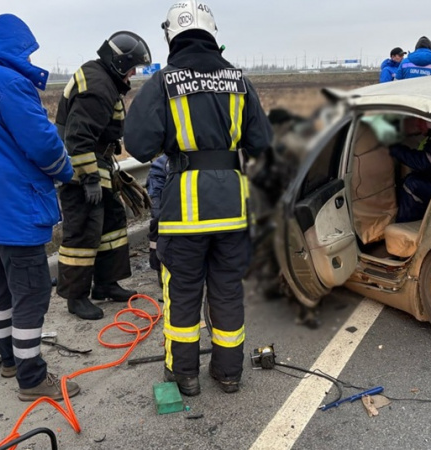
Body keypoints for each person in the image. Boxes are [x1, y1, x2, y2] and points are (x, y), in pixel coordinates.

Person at [124, 1, 272, 396]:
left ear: (171, 36)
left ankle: (184, 375)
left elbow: (138, 144)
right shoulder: (239, 81)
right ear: (212, 34)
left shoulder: (163, 82)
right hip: (232, 211)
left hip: (184, 215)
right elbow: (263, 143)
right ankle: (229, 373)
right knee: (227, 290)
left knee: (183, 293)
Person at [0, 14, 79, 402]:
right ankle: (32, 378)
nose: (28, 57)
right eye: (26, 50)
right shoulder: (8, 83)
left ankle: (9, 361)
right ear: (13, 46)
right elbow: (42, 142)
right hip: (14, 208)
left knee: (0, 289)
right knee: (31, 293)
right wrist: (66, 171)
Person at [54, 32, 151, 320]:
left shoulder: (103, 78)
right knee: (84, 230)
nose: (133, 73)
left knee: (112, 222)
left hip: (98, 164)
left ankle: (106, 283)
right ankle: (76, 297)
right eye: (132, 67)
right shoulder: (98, 86)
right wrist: (90, 180)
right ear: (119, 63)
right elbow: (78, 137)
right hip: (82, 171)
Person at [390, 118, 431, 223]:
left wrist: (394, 148)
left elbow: (424, 163)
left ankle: (403, 225)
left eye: (420, 121)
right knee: (409, 181)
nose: (417, 125)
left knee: (413, 184)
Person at [146, 154, 169, 288]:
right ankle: (159, 269)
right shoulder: (162, 164)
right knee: (157, 228)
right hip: (167, 214)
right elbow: (155, 194)